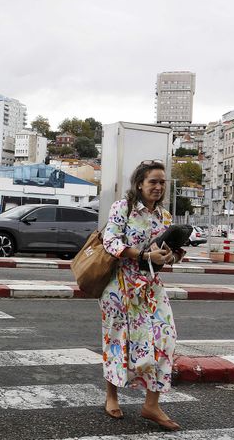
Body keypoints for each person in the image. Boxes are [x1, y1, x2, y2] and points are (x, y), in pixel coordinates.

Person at [100, 159, 184, 431]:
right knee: (119, 341)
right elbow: (110, 241)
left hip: (150, 287)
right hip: (120, 286)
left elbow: (172, 253)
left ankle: (151, 404)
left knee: (165, 337)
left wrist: (172, 255)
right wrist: (144, 254)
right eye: (153, 182)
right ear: (139, 184)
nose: (158, 187)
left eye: (162, 182)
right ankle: (111, 396)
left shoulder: (165, 217)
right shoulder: (122, 208)